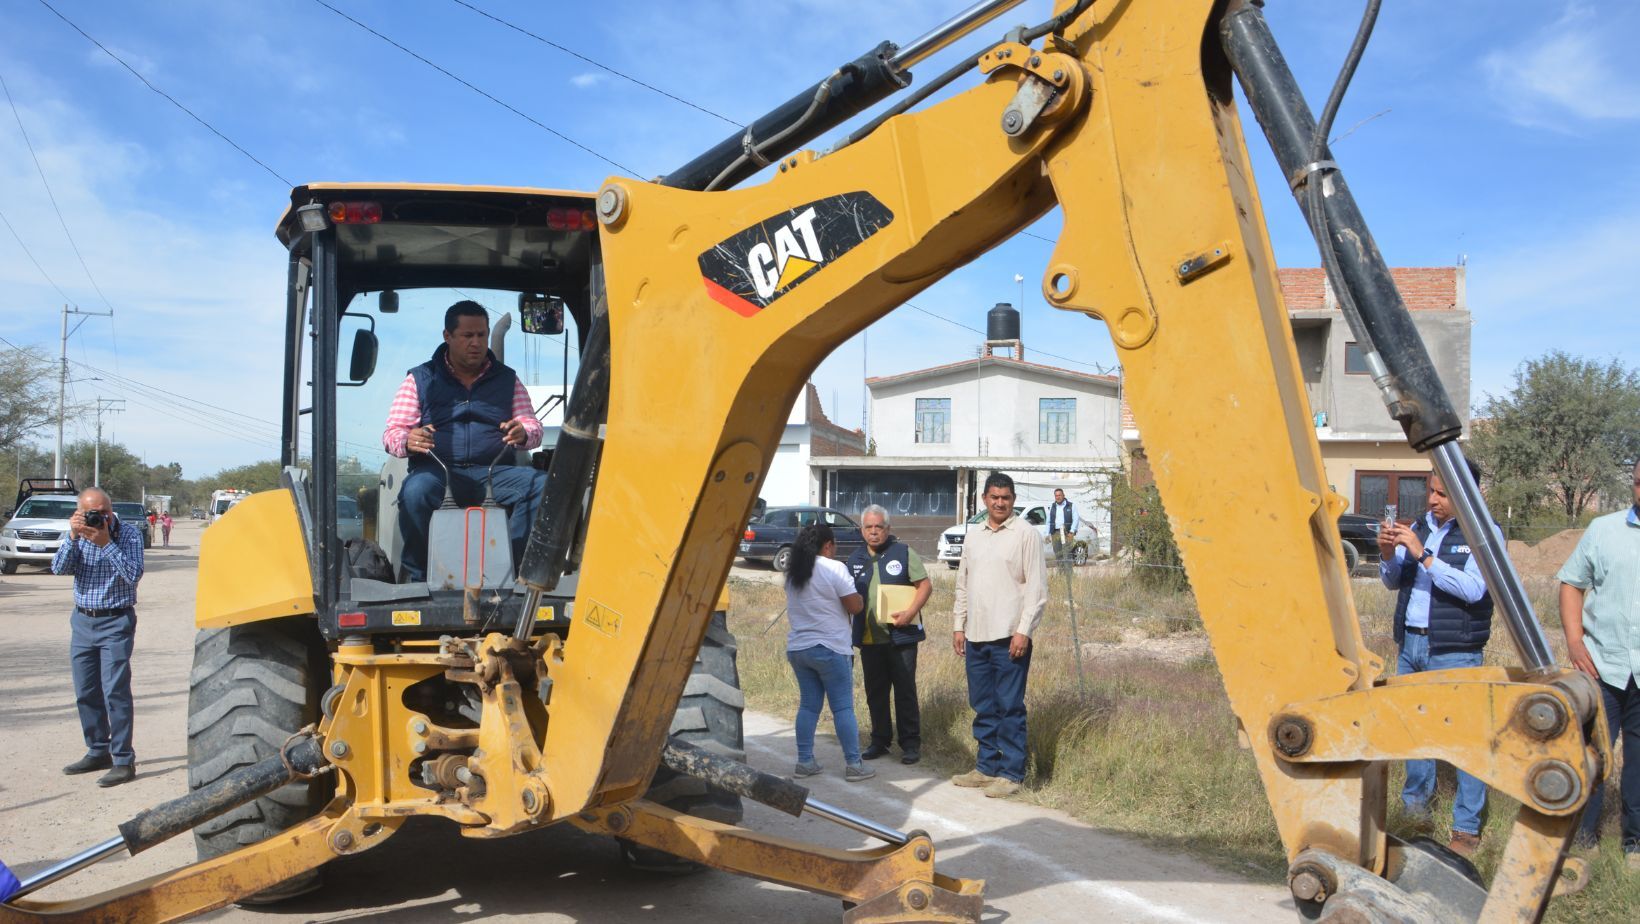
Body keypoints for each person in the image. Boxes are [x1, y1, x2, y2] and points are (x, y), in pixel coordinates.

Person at [383, 300, 546, 582]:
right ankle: (419, 580)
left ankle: (517, 572)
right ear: (448, 337)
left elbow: (532, 425)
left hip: (494, 474)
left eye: (481, 335)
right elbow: (393, 432)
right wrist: (409, 439)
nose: (476, 343)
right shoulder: (420, 379)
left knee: (542, 485)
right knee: (414, 492)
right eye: (467, 336)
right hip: (438, 473)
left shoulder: (508, 380)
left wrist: (523, 432)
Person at [1377, 460, 1492, 858]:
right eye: (1431, 490)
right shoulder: (1421, 526)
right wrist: (1389, 554)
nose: (1433, 499)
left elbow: (1474, 589)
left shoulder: (1483, 533)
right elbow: (1394, 581)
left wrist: (1422, 554)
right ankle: (1417, 817)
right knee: (1415, 733)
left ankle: (1465, 828)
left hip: (1454, 650)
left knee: (1464, 739)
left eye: (1442, 493)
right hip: (1411, 646)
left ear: (1468, 494)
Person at [1560, 459, 1640, 868]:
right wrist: (1575, 640)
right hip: (1602, 668)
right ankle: (1584, 837)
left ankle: (1635, 845)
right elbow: (1572, 583)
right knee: (1592, 754)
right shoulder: (1603, 530)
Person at [951, 472, 1047, 798]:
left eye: (1005, 498)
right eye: (994, 497)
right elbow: (963, 583)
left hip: (1009, 636)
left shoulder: (1025, 534)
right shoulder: (974, 534)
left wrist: (1024, 631)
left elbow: (1036, 590)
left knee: (1009, 705)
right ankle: (986, 767)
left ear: (1013, 499)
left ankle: (1011, 773)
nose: (1000, 502)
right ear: (985, 499)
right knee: (983, 705)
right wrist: (958, 625)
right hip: (976, 634)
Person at [51, 486, 145, 787]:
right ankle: (98, 750)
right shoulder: (77, 534)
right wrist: (73, 536)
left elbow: (134, 574)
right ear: (79, 512)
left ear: (110, 507)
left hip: (116, 621)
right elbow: (57, 569)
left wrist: (106, 544)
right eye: (90, 512)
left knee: (115, 691)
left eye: (102, 511)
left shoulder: (127, 534)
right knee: (86, 691)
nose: (97, 516)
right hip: (82, 621)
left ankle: (123, 760)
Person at [784, 523, 873, 782]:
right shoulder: (835, 568)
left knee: (809, 706)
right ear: (828, 545)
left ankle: (804, 761)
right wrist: (861, 597)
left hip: (800, 648)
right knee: (843, 708)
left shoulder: (794, 572)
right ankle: (854, 764)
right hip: (831, 648)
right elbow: (854, 606)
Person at [846, 505, 932, 766]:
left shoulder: (903, 553)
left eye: (879, 527)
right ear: (862, 531)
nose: (874, 532)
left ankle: (910, 744)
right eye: (869, 527)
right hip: (870, 639)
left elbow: (925, 585)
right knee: (876, 692)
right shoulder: (855, 560)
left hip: (901, 637)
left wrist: (910, 612)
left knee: (905, 691)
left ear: (888, 529)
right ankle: (880, 740)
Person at [1047, 488, 1079, 563]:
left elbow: (1076, 519)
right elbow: (1048, 521)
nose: (1058, 497)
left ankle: (1068, 574)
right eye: (1056, 496)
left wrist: (1072, 531)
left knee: (1067, 554)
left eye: (1059, 495)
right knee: (1058, 555)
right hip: (1055, 533)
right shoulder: (1053, 507)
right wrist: (1047, 534)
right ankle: (1061, 574)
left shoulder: (1071, 506)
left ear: (1063, 495)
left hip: (1066, 532)